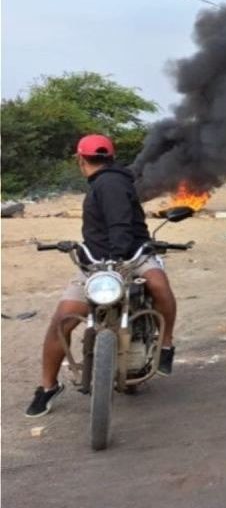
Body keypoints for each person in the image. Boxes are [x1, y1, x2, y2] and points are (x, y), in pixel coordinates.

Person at [27, 135, 178, 418]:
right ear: (109, 157)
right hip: (95, 263)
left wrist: (120, 257)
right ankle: (47, 387)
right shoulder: (112, 180)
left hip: (133, 256)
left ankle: (166, 344)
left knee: (156, 284)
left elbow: (120, 223)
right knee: (64, 317)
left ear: (79, 159)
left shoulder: (110, 182)